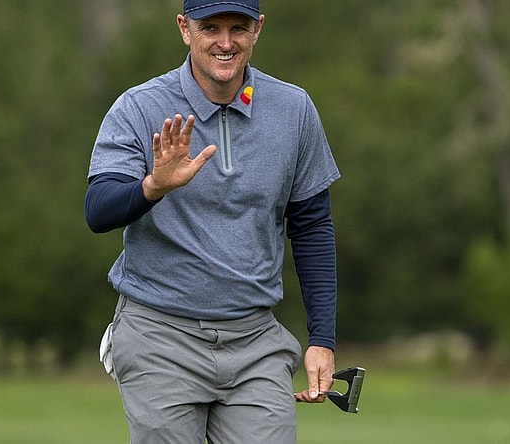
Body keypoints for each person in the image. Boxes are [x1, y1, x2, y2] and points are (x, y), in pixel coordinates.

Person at [85, 1, 340, 442]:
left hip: (255, 339)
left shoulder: (293, 110)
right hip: (159, 335)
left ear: (257, 29)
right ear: (185, 29)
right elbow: (98, 210)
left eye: (238, 28)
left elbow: (312, 225)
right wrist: (152, 187)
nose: (225, 43)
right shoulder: (139, 106)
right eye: (211, 28)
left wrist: (323, 338)